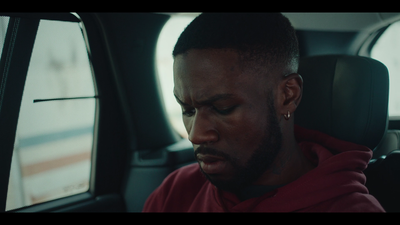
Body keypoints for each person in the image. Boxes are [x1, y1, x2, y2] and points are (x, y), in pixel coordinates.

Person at [142, 13, 385, 212]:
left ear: (287, 96)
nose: (196, 135)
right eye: (188, 110)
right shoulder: (176, 190)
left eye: (223, 108)